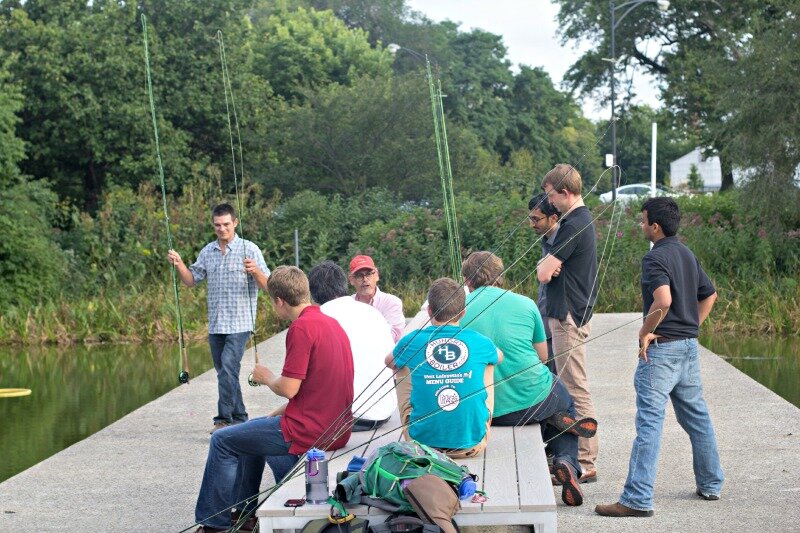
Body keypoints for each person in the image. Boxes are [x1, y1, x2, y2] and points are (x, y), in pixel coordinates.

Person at [193, 266, 354, 532]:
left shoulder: (301, 328)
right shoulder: (331, 323)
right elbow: (313, 391)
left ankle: (213, 524)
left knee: (222, 440)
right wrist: (273, 415)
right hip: (337, 428)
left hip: (308, 432)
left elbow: (289, 388)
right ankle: (245, 515)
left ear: (279, 301)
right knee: (249, 432)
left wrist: (266, 377)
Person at [595, 198, 723, 517]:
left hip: (663, 350)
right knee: (697, 418)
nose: (641, 226)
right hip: (688, 348)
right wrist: (690, 325)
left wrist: (645, 330)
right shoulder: (686, 253)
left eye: (643, 221)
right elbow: (709, 295)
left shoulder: (655, 258)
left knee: (649, 424)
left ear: (655, 226)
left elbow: (662, 299)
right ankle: (711, 484)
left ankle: (637, 499)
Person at [460, 251, 596, 507]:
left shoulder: (459, 310)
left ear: (467, 280)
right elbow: (543, 357)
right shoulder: (525, 304)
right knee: (561, 397)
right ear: (500, 276)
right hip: (532, 398)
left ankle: (555, 426)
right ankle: (566, 460)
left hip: (487, 410)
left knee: (549, 408)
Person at [167, 203, 270, 434]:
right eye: (217, 225)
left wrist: (255, 271)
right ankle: (241, 419)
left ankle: (223, 420)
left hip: (240, 323)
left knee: (227, 368)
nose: (221, 229)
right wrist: (179, 263)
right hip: (216, 324)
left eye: (226, 224)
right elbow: (191, 280)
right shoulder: (208, 252)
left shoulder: (250, 249)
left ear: (235, 223)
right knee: (227, 373)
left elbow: (268, 286)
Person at [385, 277, 502, 458]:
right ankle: (469, 426)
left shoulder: (411, 340)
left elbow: (388, 361)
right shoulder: (479, 340)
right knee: (489, 361)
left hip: (421, 447)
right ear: (463, 313)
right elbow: (500, 356)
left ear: (429, 311)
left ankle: (426, 425)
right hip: (472, 446)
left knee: (400, 363)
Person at [536, 164, 599, 483]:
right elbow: (548, 266)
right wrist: (546, 264)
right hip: (564, 312)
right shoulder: (574, 222)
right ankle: (567, 455)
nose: (549, 203)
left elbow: (544, 273)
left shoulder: (575, 222)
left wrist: (544, 266)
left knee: (574, 383)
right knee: (562, 382)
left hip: (568, 315)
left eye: (550, 194)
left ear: (564, 192)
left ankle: (586, 459)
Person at [308, 261, 397, 431]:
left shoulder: (320, 318)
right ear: (345, 284)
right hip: (386, 411)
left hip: (351, 418)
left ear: (313, 294)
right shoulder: (373, 312)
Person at [527, 193, 561, 374]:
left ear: (553, 218)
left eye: (536, 219)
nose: (532, 224)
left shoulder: (562, 242)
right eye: (530, 218)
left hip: (556, 323)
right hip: (544, 319)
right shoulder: (547, 240)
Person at [349, 254, 405, 343]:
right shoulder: (347, 305)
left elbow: (393, 337)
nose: (365, 279)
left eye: (368, 274)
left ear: (377, 275)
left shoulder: (391, 302)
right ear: (351, 280)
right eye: (359, 276)